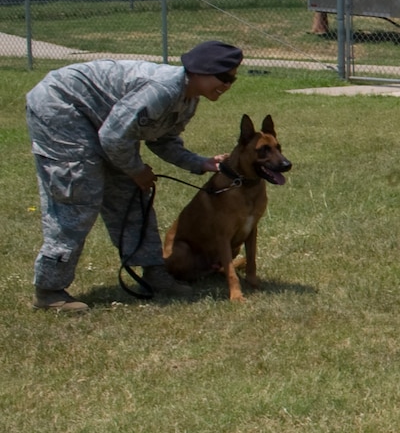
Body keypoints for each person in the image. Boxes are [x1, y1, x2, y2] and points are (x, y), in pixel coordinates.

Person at [24, 41, 243, 311]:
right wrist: (137, 170)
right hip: (61, 106)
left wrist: (201, 163)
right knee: (79, 194)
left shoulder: (188, 99)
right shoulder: (162, 90)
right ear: (198, 71)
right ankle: (48, 291)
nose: (227, 84)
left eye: (232, 78)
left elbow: (163, 140)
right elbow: (113, 137)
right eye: (223, 77)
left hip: (102, 124)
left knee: (130, 194)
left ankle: (155, 273)